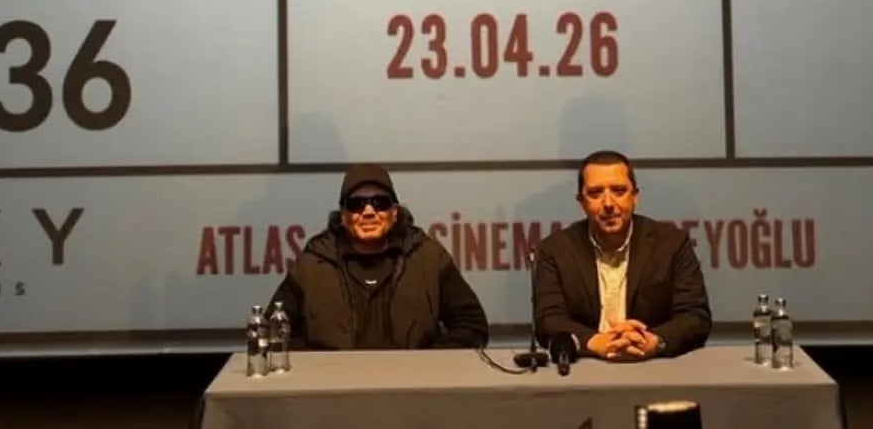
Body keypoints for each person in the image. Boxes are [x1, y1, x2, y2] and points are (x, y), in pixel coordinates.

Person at [267, 163, 489, 350]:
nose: (369, 212)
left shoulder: (429, 257)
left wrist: (428, 365)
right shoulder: (311, 265)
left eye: (380, 203)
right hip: (334, 385)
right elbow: (272, 333)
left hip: (413, 385)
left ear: (395, 212)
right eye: (357, 204)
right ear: (343, 216)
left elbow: (472, 325)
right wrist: (318, 369)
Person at [533, 150, 712, 359]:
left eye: (619, 191)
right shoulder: (555, 250)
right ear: (582, 201)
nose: (608, 203)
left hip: (656, 368)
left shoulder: (672, 243)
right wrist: (593, 341)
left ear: (635, 196)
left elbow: (694, 317)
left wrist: (654, 341)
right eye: (596, 193)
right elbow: (548, 320)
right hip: (586, 368)